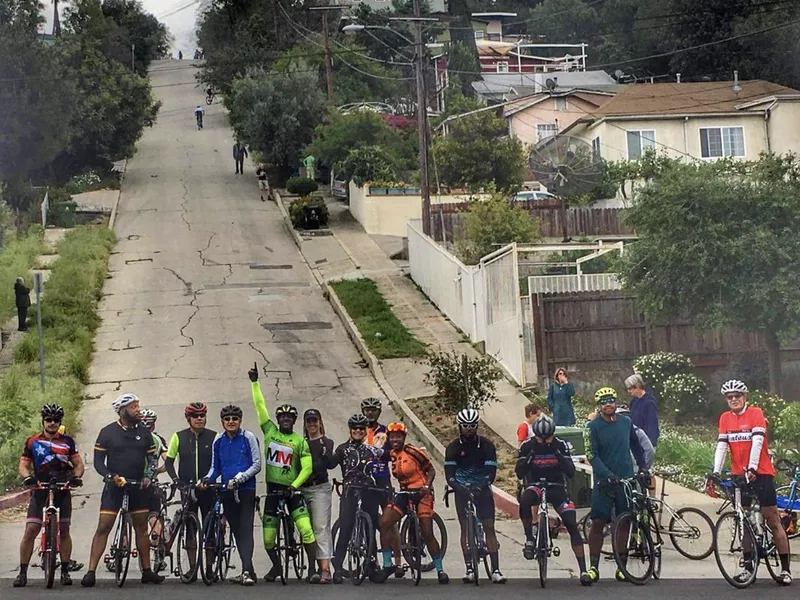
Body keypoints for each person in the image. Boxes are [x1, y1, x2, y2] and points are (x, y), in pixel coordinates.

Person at [709, 379, 792, 585]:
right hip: (739, 474)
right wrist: (715, 471)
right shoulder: (725, 418)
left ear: (745, 397)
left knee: (772, 519)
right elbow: (721, 446)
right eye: (730, 397)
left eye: (738, 396)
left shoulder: (755, 413)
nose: (734, 399)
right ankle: (748, 567)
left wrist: (753, 467)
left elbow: (757, 442)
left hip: (761, 472)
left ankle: (785, 569)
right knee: (743, 521)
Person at [81, 394, 162, 587]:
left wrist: (148, 477)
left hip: (137, 487)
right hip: (114, 486)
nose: (138, 410)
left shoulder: (144, 432)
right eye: (133, 407)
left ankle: (147, 571)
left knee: (141, 528)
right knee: (104, 527)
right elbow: (99, 462)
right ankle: (91, 571)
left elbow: (152, 459)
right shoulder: (107, 432)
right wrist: (110, 476)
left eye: (138, 406)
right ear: (122, 410)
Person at [248, 364, 317, 583]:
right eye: (282, 417)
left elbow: (308, 467)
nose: (286, 419)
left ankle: (312, 570)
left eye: (290, 417)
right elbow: (260, 406)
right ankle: (277, 567)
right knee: (268, 539)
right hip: (273, 491)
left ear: (294, 421)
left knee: (306, 530)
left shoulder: (300, 441)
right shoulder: (270, 432)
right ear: (278, 420)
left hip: (293, 491)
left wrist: (295, 486)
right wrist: (255, 383)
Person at [14, 404, 84, 588]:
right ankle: (22, 573)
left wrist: (76, 477)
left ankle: (66, 571)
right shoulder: (32, 441)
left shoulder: (68, 442)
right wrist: (27, 477)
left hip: (62, 487)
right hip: (40, 488)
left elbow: (78, 464)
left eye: (56, 420)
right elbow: (23, 465)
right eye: (48, 420)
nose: (52, 423)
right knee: (30, 530)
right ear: (43, 421)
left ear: (60, 422)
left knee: (65, 529)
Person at [516, 414, 590, 585]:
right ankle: (529, 538)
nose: (544, 441)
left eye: (548, 437)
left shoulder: (560, 445)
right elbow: (519, 472)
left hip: (556, 486)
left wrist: (557, 453)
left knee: (571, 523)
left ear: (552, 434)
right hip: (535, 484)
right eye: (541, 438)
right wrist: (531, 455)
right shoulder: (528, 446)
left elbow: (570, 472)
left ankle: (583, 570)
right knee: (526, 500)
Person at [585, 387, 648, 585]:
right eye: (604, 402)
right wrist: (606, 474)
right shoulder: (592, 426)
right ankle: (593, 567)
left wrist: (643, 467)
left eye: (611, 400)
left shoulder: (626, 422)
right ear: (599, 405)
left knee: (623, 523)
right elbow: (591, 455)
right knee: (598, 523)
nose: (608, 404)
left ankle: (622, 567)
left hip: (626, 481)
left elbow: (636, 446)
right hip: (605, 483)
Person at [374, 422, 449, 584]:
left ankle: (440, 570)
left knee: (427, 531)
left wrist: (427, 486)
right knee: (385, 522)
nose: (395, 440)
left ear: (404, 438)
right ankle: (388, 565)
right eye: (392, 437)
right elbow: (377, 456)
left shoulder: (413, 451)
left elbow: (431, 470)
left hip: (422, 493)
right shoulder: (392, 454)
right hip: (404, 493)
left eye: (398, 437)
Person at [200, 404, 262, 586]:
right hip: (227, 491)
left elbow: (257, 464)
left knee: (246, 529)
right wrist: (206, 479)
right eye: (227, 419)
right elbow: (215, 467)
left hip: (245, 490)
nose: (231, 422)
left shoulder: (248, 437)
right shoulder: (218, 440)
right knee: (235, 529)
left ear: (240, 421)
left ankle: (246, 571)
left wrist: (240, 478)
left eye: (234, 419)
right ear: (222, 422)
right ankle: (248, 569)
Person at [444, 408, 506, 584]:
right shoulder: (453, 447)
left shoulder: (487, 445)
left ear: (477, 426)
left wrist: (481, 485)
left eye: (472, 426)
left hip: (482, 488)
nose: (469, 429)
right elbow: (449, 475)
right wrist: (459, 487)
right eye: (465, 426)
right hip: (461, 489)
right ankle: (469, 568)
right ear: (460, 426)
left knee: (489, 526)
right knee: (465, 527)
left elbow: (491, 472)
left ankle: (496, 570)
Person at [328, 413, 383, 584]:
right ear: (350, 430)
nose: (358, 431)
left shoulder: (373, 450)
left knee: (370, 529)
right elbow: (330, 463)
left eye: (361, 428)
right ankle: (337, 568)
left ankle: (372, 566)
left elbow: (381, 472)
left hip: (369, 491)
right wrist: (323, 451)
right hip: (350, 491)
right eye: (355, 428)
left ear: (366, 430)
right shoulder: (343, 449)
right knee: (345, 528)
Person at [165, 402, 216, 576]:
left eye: (202, 416)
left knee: (210, 527)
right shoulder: (178, 437)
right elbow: (169, 462)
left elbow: (219, 463)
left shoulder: (214, 437)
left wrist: (212, 479)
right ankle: (193, 567)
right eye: (195, 416)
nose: (200, 419)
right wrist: (176, 480)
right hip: (187, 488)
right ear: (188, 419)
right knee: (190, 529)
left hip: (208, 488)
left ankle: (209, 568)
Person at [361, 396, 400, 574]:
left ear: (378, 412)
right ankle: (372, 560)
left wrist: (380, 453)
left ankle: (398, 562)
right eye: (367, 409)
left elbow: (390, 451)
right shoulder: (358, 430)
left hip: (383, 479)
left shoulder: (385, 432)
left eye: (373, 410)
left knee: (391, 522)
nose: (370, 412)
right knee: (368, 520)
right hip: (365, 481)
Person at [302, 408, 334, 583]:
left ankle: (325, 568)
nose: (312, 424)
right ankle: (310, 566)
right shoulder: (301, 442)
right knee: (305, 528)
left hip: (320, 488)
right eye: (309, 421)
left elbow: (326, 465)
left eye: (315, 421)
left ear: (320, 422)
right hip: (303, 487)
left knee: (320, 527)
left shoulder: (326, 442)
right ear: (305, 424)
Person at [140, 409, 167, 555]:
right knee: (154, 516)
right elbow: (168, 461)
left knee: (130, 517)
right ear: (153, 425)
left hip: (133, 482)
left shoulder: (132, 437)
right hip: (152, 483)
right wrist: (157, 471)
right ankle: (156, 547)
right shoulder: (158, 440)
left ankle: (122, 548)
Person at [625, 373, 660, 447]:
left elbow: (652, 424)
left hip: (646, 442)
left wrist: (651, 444)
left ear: (637, 386)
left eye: (630, 388)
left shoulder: (649, 403)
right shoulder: (634, 401)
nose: (629, 391)